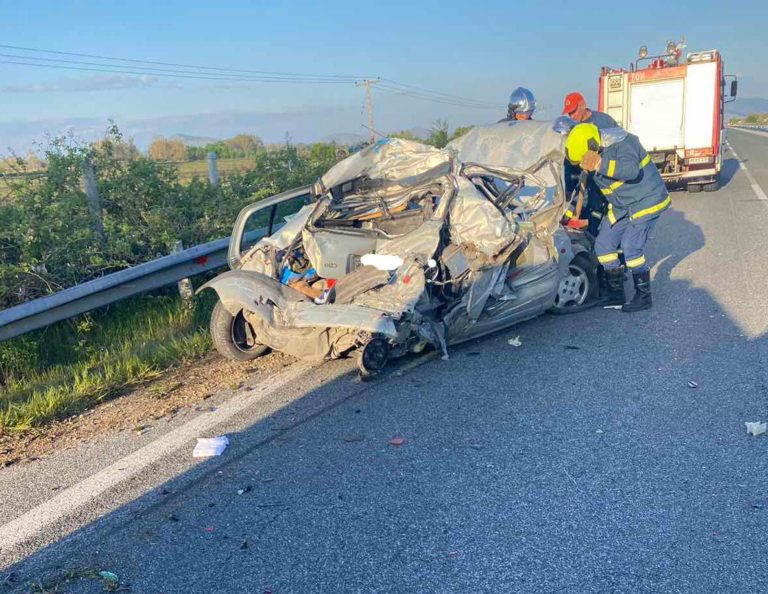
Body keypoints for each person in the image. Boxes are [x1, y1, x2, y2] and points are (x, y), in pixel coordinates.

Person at [565, 123, 670, 312]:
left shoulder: (624, 143)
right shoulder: (593, 149)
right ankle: (616, 294)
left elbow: (631, 171)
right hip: (622, 205)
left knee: (631, 247)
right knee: (603, 245)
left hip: (646, 200)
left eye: (583, 159)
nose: (583, 163)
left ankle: (643, 297)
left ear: (592, 146)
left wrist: (599, 164)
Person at [561, 92, 619, 234]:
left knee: (606, 215)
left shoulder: (603, 122)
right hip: (588, 181)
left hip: (606, 178)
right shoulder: (575, 128)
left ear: (583, 105)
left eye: (573, 111)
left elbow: (618, 147)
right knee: (590, 213)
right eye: (569, 113)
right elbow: (569, 160)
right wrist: (568, 186)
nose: (571, 116)